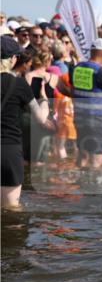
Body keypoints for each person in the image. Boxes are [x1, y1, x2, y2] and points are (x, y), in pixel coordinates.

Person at [57, 38, 102, 169]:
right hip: (97, 120)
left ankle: (80, 184)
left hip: (80, 118)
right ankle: (93, 186)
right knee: (97, 160)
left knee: (83, 156)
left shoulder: (78, 68)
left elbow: (73, 90)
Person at [2, 41, 55, 207]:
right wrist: (44, 99)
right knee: (11, 208)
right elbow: (41, 118)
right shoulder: (19, 84)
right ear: (12, 59)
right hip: (8, 150)